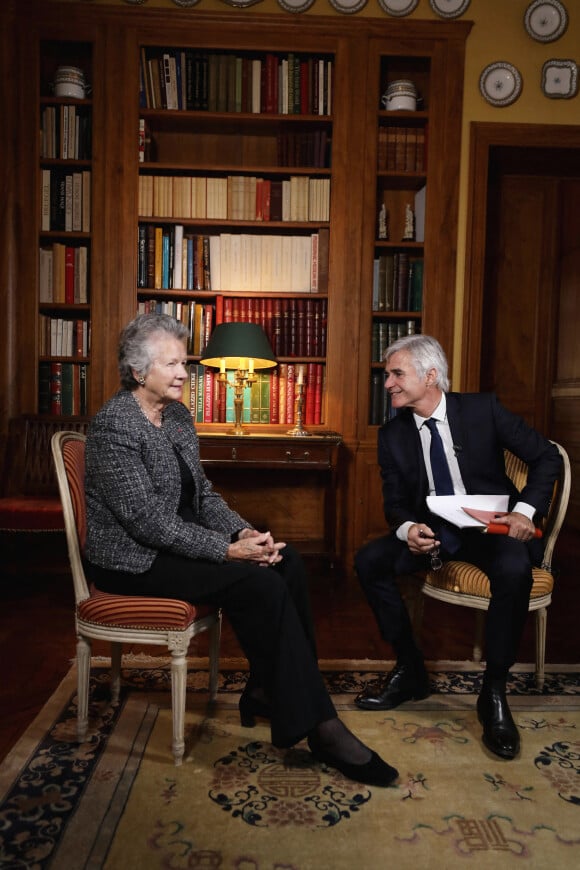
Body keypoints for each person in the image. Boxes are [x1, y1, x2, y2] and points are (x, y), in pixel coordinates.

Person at [83, 312, 398, 788]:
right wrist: (227, 553)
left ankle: (268, 692)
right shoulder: (113, 426)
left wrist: (247, 535)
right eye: (171, 364)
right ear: (137, 371)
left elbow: (203, 496)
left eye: (183, 362)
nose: (184, 373)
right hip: (132, 560)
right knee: (255, 582)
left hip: (172, 541)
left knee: (284, 560)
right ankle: (321, 727)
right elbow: (145, 523)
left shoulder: (178, 416)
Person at [354, 334, 561, 760]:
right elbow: (394, 502)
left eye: (397, 373)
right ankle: (411, 669)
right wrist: (408, 527)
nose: (388, 383)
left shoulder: (482, 409)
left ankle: (494, 692)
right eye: (387, 374)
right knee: (369, 561)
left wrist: (524, 511)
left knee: (514, 572)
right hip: (437, 535)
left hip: (494, 530)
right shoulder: (392, 434)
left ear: (430, 376)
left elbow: (546, 457)